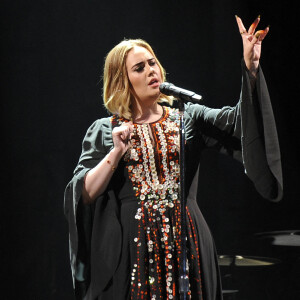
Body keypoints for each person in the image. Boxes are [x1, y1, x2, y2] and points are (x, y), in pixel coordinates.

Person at [64, 15, 283, 300]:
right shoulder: (105, 130)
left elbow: (240, 124)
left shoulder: (187, 117)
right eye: (139, 68)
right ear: (123, 80)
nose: (151, 71)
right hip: (133, 251)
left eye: (152, 63)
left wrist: (250, 70)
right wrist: (116, 152)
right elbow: (83, 193)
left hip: (187, 242)